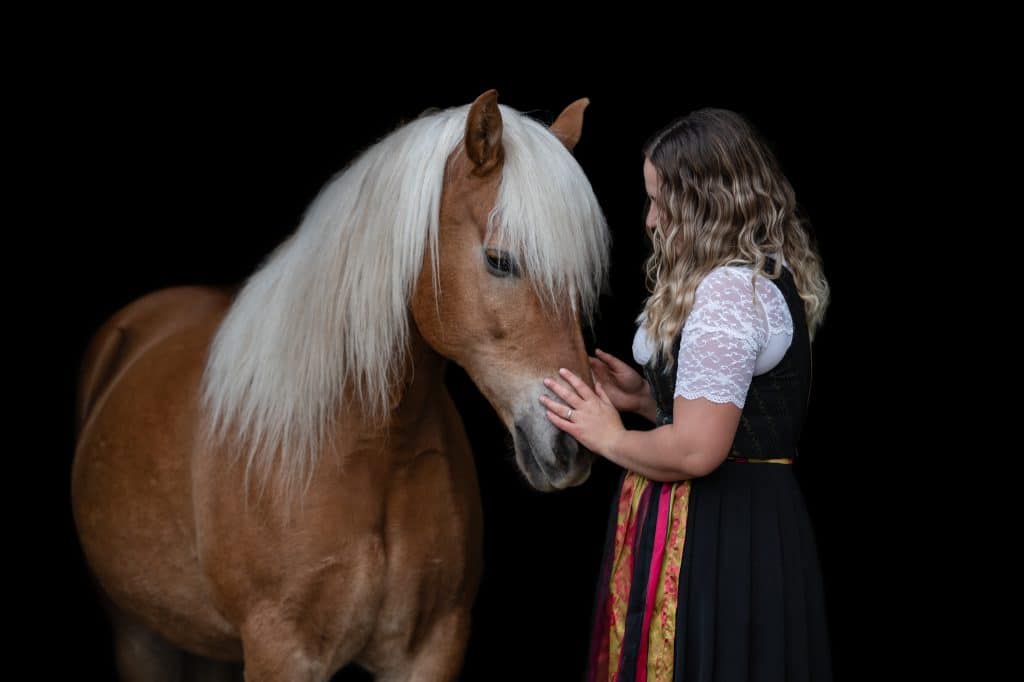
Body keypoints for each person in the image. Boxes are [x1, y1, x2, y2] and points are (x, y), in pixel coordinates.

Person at [538, 108, 833, 681]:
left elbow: (699, 451)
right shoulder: (758, 274)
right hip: (742, 516)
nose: (650, 221)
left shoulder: (728, 292)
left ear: (704, 203)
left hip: (723, 530)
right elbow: (737, 414)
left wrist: (609, 437)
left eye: (659, 201)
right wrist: (649, 402)